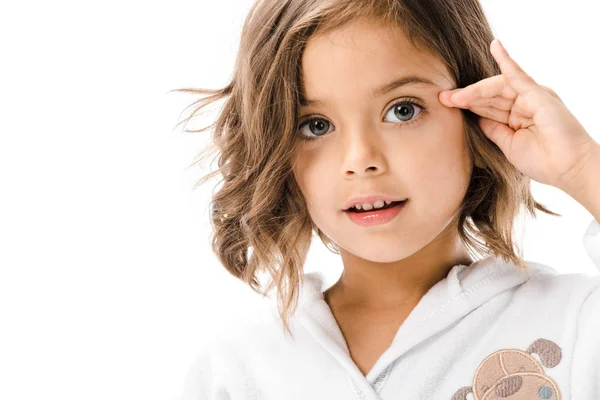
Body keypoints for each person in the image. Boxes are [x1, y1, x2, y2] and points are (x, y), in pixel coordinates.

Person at [173, 0, 600, 398]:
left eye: (402, 110)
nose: (361, 161)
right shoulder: (237, 369)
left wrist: (582, 167)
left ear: (477, 112)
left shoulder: (575, 321)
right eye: (317, 126)